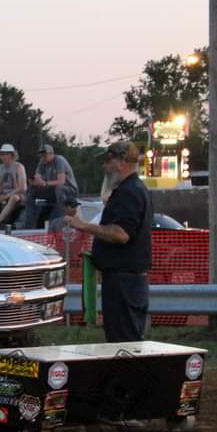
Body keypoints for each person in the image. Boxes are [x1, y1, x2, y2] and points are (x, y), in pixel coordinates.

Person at [65, 141, 152, 342]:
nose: (105, 166)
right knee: (122, 340)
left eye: (108, 160)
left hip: (124, 282)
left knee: (124, 343)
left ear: (121, 162)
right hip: (124, 280)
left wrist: (83, 226)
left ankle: (127, 373)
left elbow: (121, 234)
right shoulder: (131, 189)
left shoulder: (129, 192)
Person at [27, 144, 78, 227]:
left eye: (45, 154)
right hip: (52, 190)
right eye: (41, 155)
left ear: (52, 153)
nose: (43, 157)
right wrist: (35, 181)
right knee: (31, 190)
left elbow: (61, 181)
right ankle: (30, 223)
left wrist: (45, 183)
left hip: (69, 190)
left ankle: (59, 220)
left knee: (59, 188)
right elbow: (38, 176)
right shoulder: (42, 162)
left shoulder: (59, 160)